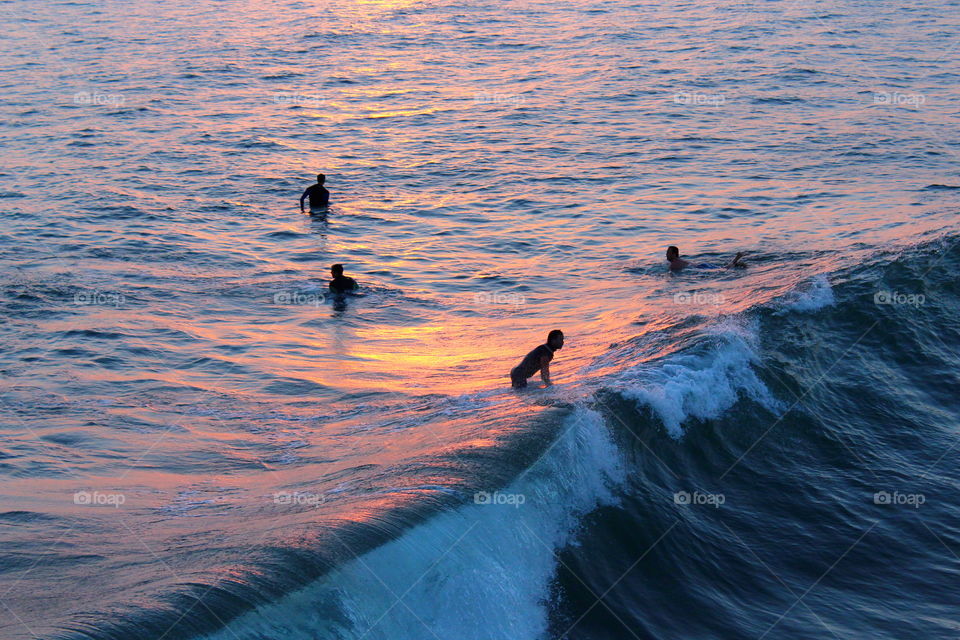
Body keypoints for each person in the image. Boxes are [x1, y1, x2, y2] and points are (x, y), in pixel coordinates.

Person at [666, 246, 745, 272]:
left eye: (668, 253)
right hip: (702, 265)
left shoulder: (673, 264)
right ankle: (736, 262)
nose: (666, 255)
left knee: (725, 269)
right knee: (724, 268)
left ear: (673, 254)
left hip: (701, 268)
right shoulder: (679, 260)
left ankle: (737, 258)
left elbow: (672, 274)